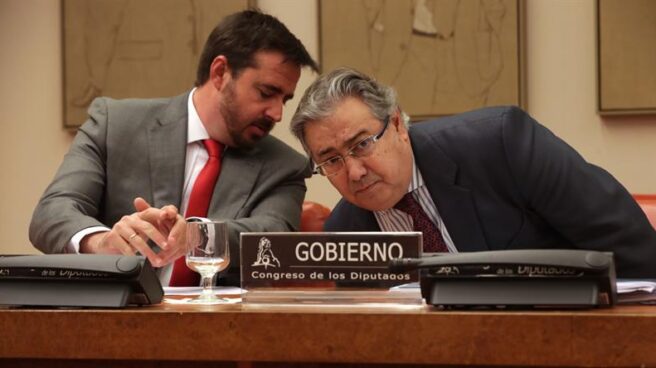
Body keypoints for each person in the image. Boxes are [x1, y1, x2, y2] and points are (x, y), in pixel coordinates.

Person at [30, 10, 318, 286]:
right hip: (110, 320)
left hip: (217, 328)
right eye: (266, 93)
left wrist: (197, 235)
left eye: (285, 99)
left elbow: (273, 239)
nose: (277, 113)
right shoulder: (114, 125)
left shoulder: (284, 165)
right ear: (220, 73)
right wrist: (101, 243)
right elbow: (53, 211)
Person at [289, 67, 656, 278]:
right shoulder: (345, 233)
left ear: (398, 124)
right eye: (332, 160)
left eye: (362, 144)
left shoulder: (501, 143)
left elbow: (627, 242)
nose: (354, 172)